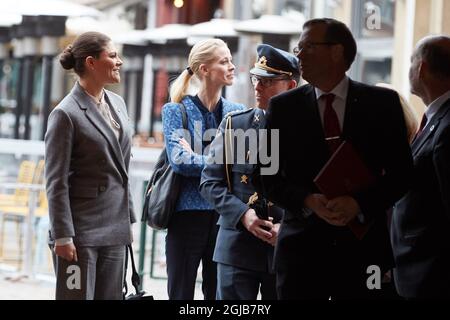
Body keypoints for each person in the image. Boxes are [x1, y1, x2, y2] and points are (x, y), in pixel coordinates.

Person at [257, 18, 413, 299]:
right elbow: (264, 174)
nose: (299, 55)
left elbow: (402, 174)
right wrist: (307, 201)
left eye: (307, 47)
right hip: (300, 255)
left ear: (336, 52)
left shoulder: (382, 104)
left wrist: (359, 204)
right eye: (298, 47)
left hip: (365, 254)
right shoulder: (282, 108)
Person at [200, 44, 299, 300]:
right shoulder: (234, 125)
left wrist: (287, 227)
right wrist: (243, 215)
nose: (257, 86)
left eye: (268, 81)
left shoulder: (309, 132)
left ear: (291, 86)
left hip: (286, 249)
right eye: (256, 79)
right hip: (237, 247)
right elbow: (210, 183)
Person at [45, 31, 135, 300]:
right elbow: (55, 181)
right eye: (113, 55)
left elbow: (122, 169)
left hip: (116, 229)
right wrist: (62, 236)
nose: (119, 62)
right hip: (80, 234)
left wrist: (128, 220)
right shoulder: (65, 113)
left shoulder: (117, 103)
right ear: (91, 62)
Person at [162, 38, 245, 300]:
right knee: (181, 294)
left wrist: (198, 156)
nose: (232, 66)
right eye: (224, 61)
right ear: (203, 69)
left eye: (231, 60)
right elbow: (180, 162)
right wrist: (220, 162)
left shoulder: (237, 112)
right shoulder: (175, 111)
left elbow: (241, 163)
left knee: (220, 295)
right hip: (186, 217)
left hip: (225, 218)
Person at [391, 35, 450, 299]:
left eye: (411, 61)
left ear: (422, 68)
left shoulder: (447, 126)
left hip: (431, 275)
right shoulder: (437, 119)